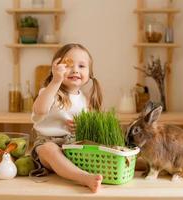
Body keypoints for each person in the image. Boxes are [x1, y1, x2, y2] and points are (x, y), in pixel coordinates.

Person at [31, 43, 103, 193]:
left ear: (90, 74)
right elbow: (39, 109)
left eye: (82, 66)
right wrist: (56, 81)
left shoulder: (85, 99)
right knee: (49, 150)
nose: (75, 70)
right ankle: (83, 177)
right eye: (69, 65)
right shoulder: (50, 92)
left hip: (75, 145)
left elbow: (91, 129)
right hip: (48, 143)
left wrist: (82, 127)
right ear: (56, 68)